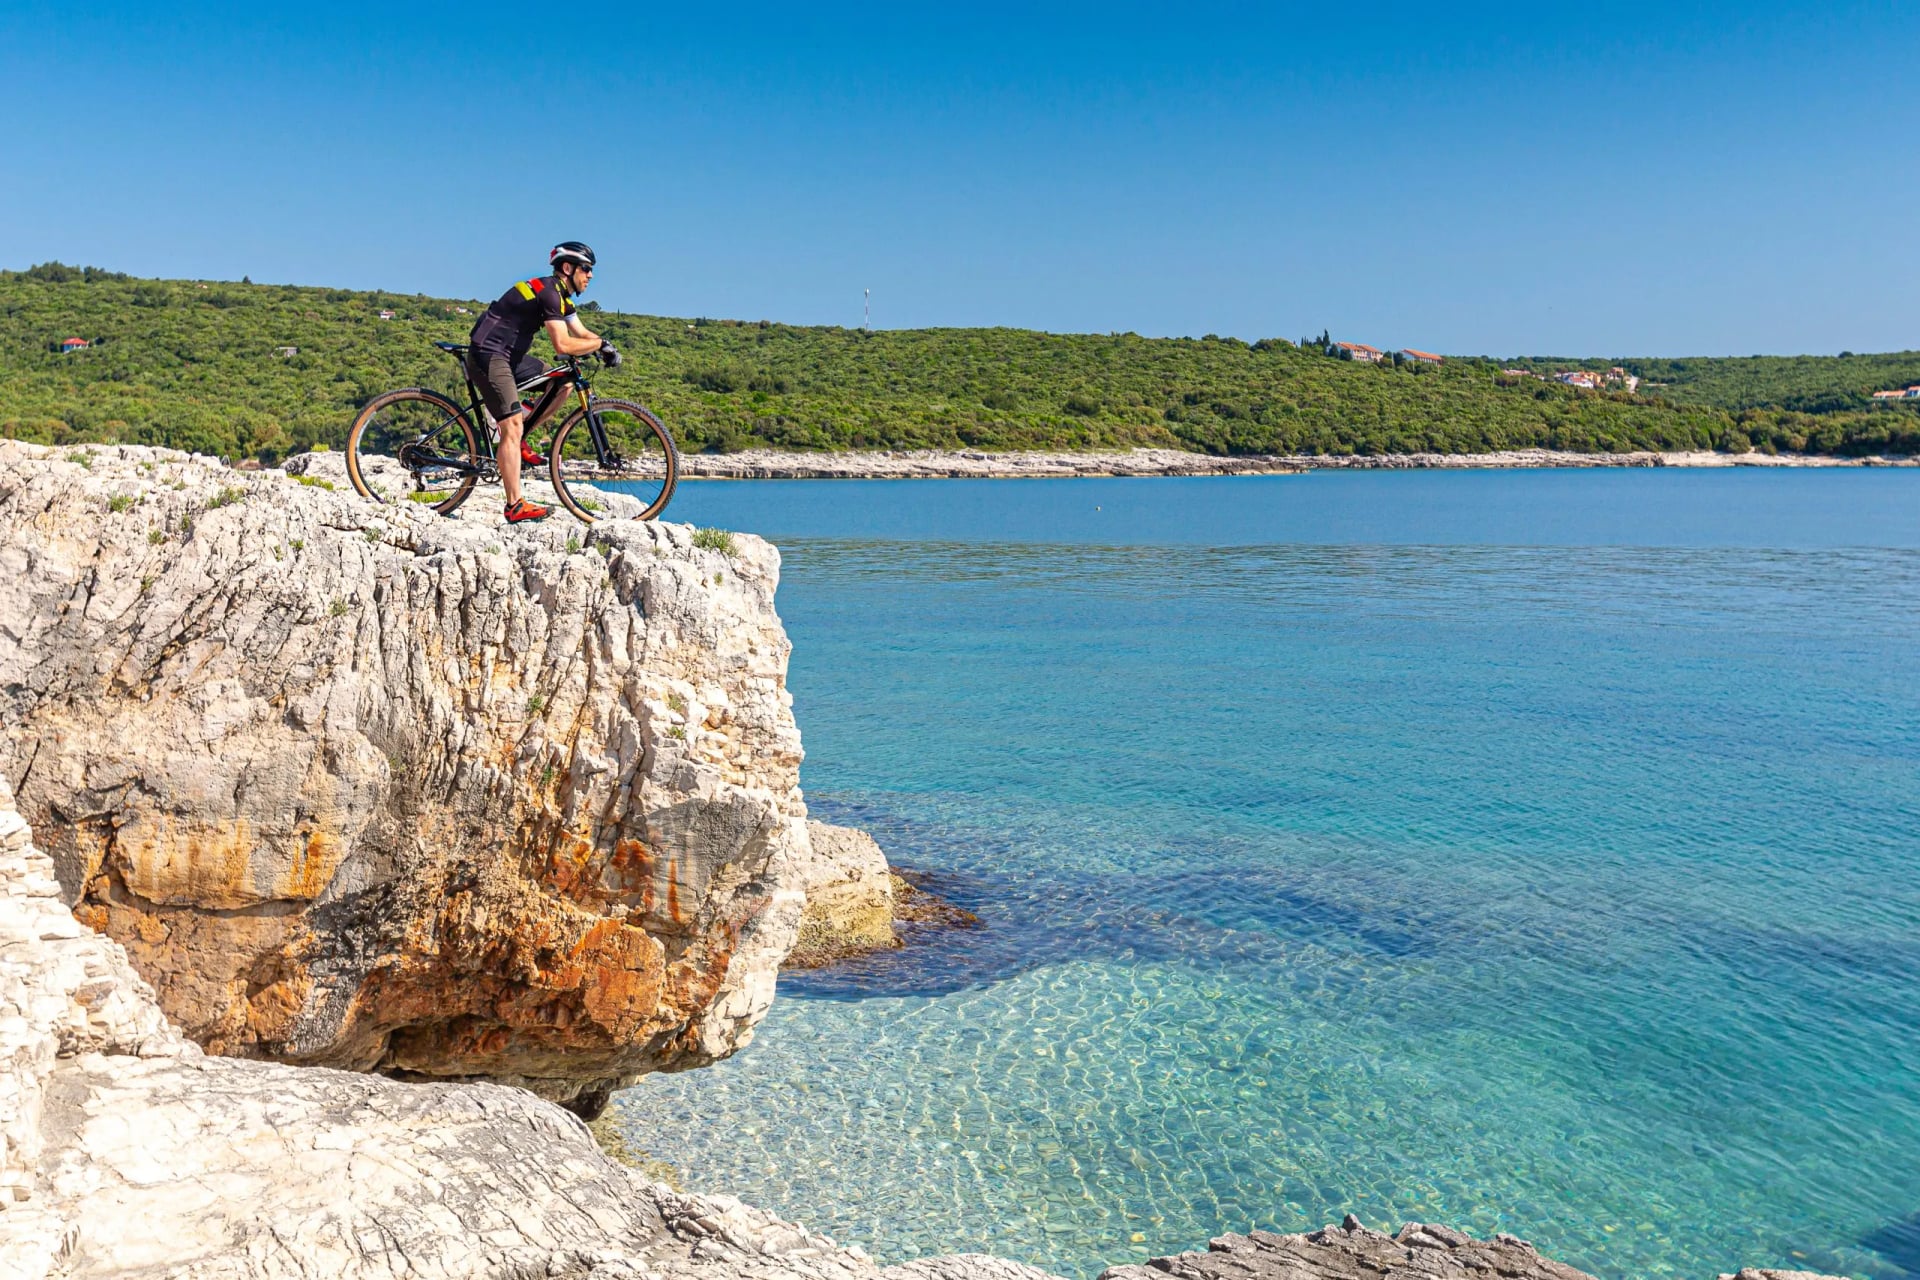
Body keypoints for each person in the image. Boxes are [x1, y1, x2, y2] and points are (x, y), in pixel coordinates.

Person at [465, 242, 623, 523]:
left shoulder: (563, 298)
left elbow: (580, 332)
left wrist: (604, 345)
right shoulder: (549, 294)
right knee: (511, 426)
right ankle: (514, 504)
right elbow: (562, 343)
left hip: (510, 357)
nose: (591, 276)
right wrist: (599, 344)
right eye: (586, 269)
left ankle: (519, 439)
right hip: (489, 355)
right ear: (567, 268)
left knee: (562, 383)